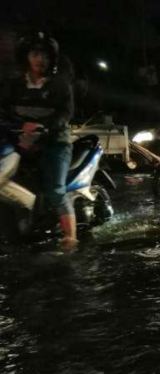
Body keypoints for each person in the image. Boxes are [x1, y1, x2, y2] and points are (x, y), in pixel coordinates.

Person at [0, 32, 76, 247]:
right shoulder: (13, 85)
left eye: (44, 55)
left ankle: (71, 239)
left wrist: (43, 128)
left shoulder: (60, 85)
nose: (40, 59)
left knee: (55, 191)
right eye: (35, 54)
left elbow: (65, 114)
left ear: (52, 58)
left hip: (55, 143)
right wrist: (19, 128)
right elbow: (3, 113)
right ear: (26, 56)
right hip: (19, 143)